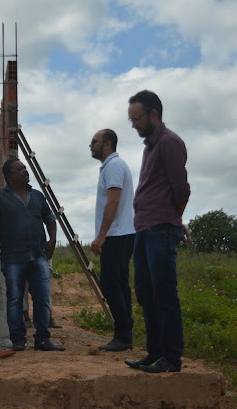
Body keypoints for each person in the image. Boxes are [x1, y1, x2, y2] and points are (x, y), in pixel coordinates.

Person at [124, 90, 191, 373]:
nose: (134, 125)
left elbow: (181, 189)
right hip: (145, 229)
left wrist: (173, 218)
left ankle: (171, 358)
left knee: (164, 295)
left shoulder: (169, 142)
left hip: (160, 230)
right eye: (131, 120)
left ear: (153, 114)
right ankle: (154, 353)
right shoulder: (150, 146)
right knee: (145, 293)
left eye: (136, 118)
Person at [0, 159, 65, 352]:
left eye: (25, 167)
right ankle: (18, 340)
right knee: (15, 299)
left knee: (42, 298)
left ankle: (42, 339)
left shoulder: (37, 196)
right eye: (20, 169)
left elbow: (50, 219)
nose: (25, 170)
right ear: (9, 176)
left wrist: (52, 239)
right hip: (12, 258)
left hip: (37, 255)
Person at [89, 128, 136, 351]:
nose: (91, 146)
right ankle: (125, 334)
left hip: (117, 235)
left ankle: (123, 335)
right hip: (121, 233)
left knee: (110, 284)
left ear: (107, 144)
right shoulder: (112, 166)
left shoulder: (114, 166)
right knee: (119, 283)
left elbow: (113, 201)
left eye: (94, 142)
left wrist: (101, 236)